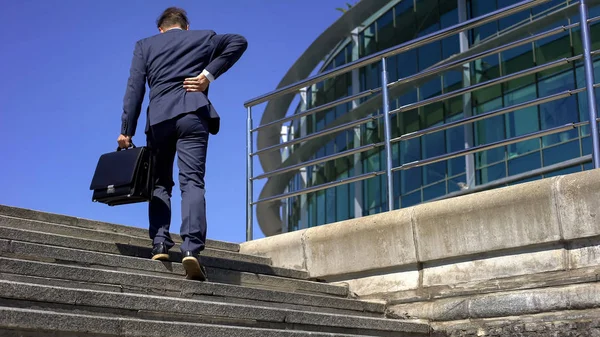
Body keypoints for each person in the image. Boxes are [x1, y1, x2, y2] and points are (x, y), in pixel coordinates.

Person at [116, 7, 248, 281]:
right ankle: (191, 249)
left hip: (160, 118)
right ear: (186, 27)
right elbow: (239, 41)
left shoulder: (145, 46)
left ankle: (160, 244)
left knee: (160, 183)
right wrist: (207, 76)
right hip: (193, 113)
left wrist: (126, 131)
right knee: (192, 182)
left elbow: (135, 88)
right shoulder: (203, 37)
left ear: (160, 29)